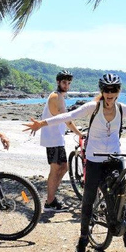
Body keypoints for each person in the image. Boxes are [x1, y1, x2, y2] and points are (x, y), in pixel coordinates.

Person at [23, 73, 126, 252]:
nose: (110, 94)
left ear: (118, 92)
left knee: (120, 195)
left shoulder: (121, 108)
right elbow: (68, 116)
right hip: (94, 159)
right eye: (107, 90)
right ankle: (84, 237)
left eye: (113, 90)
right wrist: (42, 124)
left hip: (115, 158)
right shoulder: (93, 107)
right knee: (88, 199)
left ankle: (123, 227)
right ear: (102, 91)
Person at [40, 70, 83, 211]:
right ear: (58, 82)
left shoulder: (59, 97)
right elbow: (66, 119)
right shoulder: (56, 97)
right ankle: (50, 202)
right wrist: (78, 133)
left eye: (69, 83)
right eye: (64, 82)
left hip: (57, 139)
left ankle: (51, 198)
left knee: (63, 167)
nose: (67, 85)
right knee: (56, 169)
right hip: (53, 140)